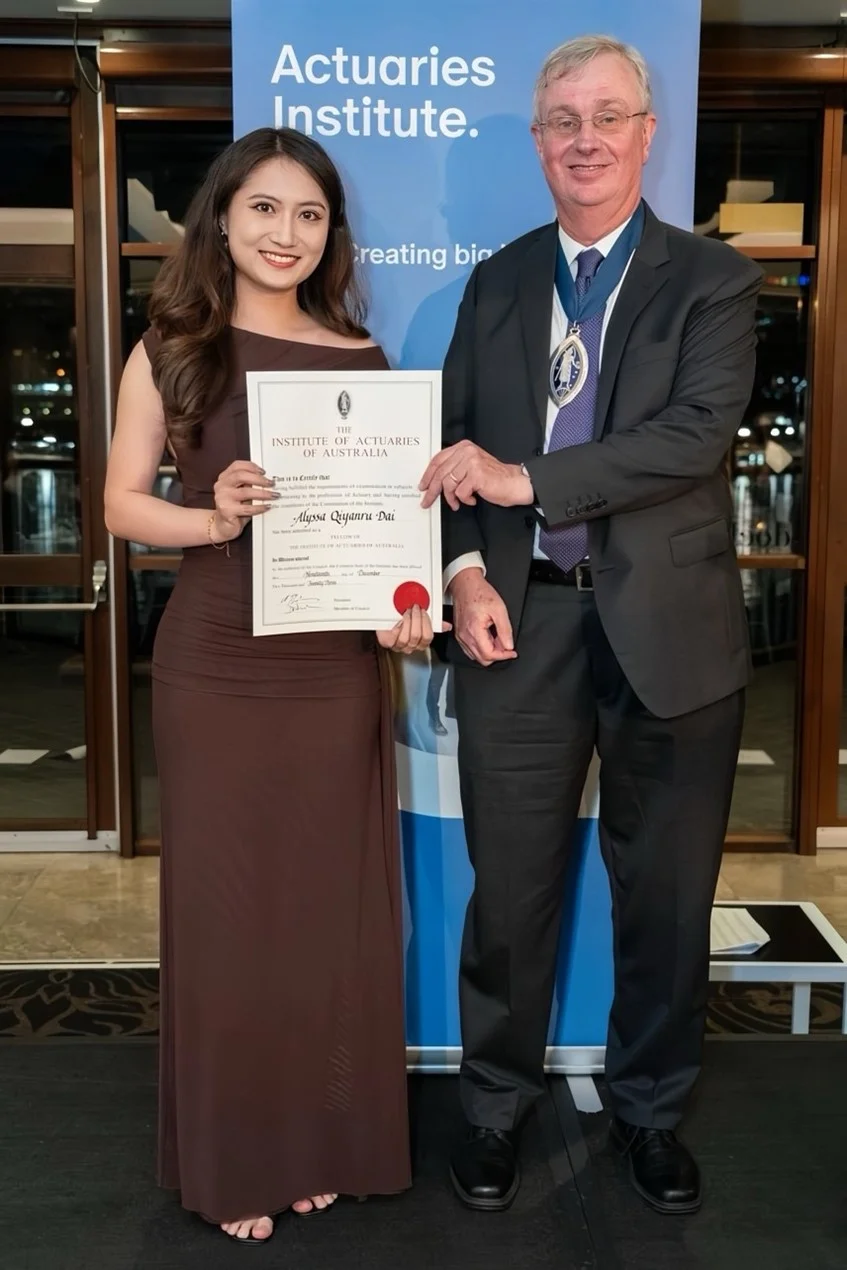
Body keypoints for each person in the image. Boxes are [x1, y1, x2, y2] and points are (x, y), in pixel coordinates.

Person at [420, 35, 762, 1216]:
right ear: (536, 141)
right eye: (562, 118)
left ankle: (650, 1112)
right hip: (518, 629)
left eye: (607, 115)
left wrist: (525, 480)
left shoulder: (712, 280)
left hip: (671, 634)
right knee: (507, 891)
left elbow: (693, 435)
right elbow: (453, 442)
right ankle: (493, 1110)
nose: (584, 138)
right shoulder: (499, 280)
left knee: (664, 893)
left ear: (646, 134)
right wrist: (465, 570)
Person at [105, 126, 438, 1245]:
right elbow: (121, 505)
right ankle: (237, 1152)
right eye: (263, 209)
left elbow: (392, 531)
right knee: (230, 915)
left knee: (322, 921)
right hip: (217, 665)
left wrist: (404, 613)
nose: (285, 233)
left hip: (332, 673)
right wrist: (214, 515)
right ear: (224, 218)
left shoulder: (364, 362)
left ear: (330, 233)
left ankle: (314, 1144)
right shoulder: (169, 348)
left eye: (308, 215)